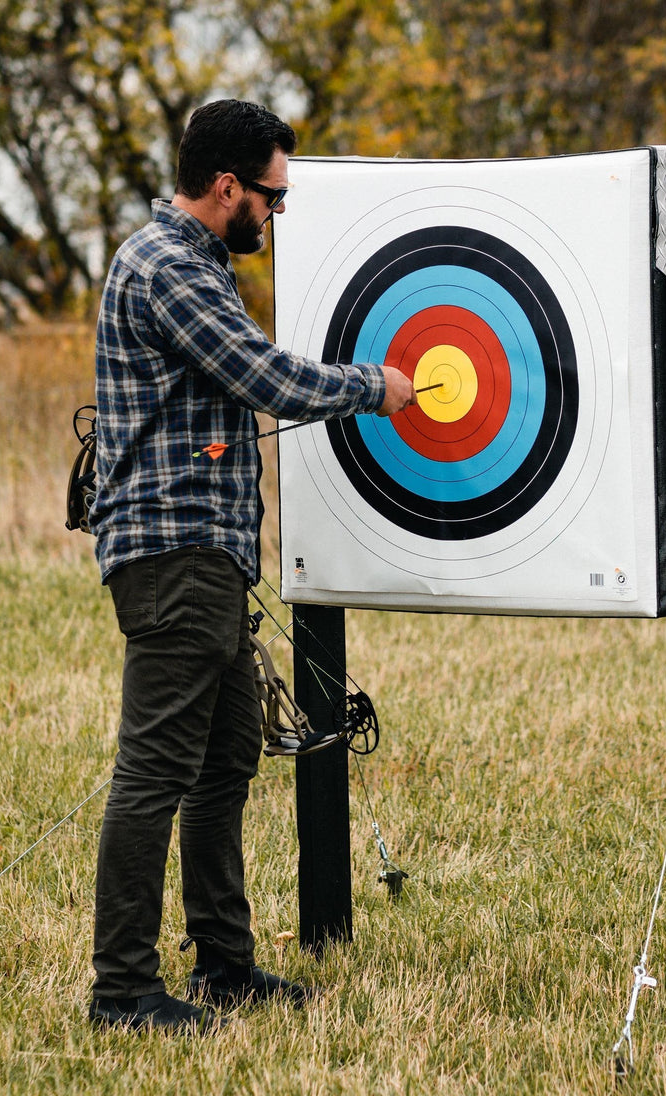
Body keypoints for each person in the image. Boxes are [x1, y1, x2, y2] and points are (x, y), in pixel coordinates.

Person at [86, 99, 417, 1033]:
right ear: (225, 186)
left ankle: (226, 968)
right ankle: (122, 991)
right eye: (269, 198)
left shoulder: (188, 264)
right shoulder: (168, 270)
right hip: (175, 556)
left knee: (224, 762)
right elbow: (263, 377)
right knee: (154, 773)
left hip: (207, 560)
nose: (273, 216)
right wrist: (372, 388)